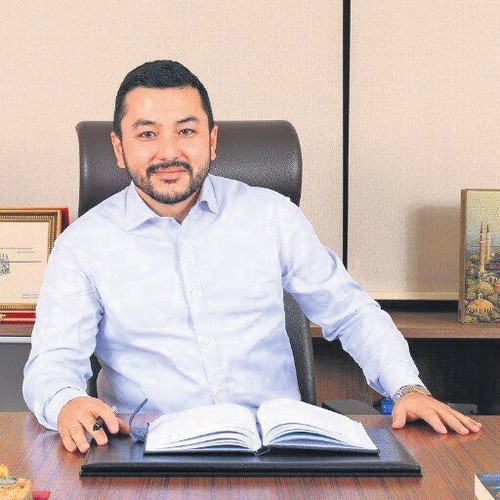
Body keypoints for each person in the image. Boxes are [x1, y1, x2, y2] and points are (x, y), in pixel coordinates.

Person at [23, 60, 481, 453]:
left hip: (277, 451)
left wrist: (407, 387)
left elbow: (351, 312)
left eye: (186, 131)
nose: (169, 152)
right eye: (147, 134)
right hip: (147, 453)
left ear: (212, 140)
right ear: (119, 149)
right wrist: (66, 401)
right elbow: (52, 361)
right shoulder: (83, 245)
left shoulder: (272, 216)